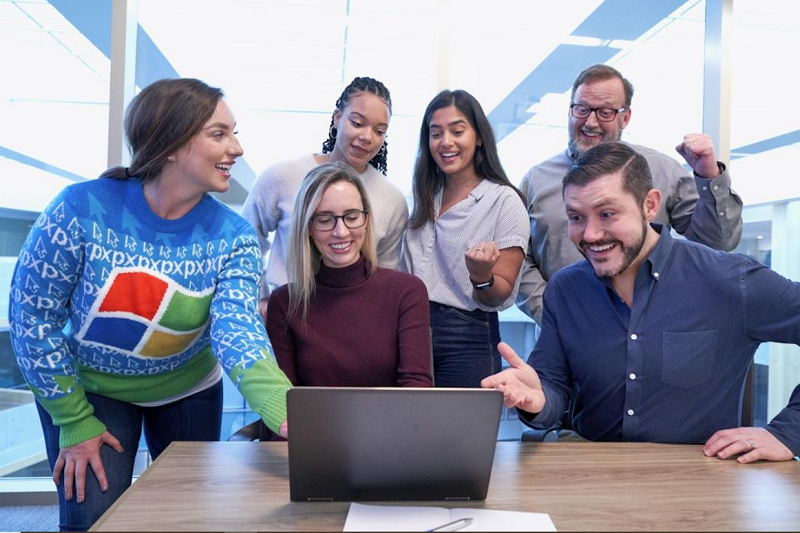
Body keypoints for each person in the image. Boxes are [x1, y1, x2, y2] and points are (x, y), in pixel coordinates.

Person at [7, 78, 293, 531]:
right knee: (91, 521)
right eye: (220, 134)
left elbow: (237, 328)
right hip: (93, 392)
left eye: (234, 132)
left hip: (188, 389)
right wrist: (73, 418)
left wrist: (283, 408)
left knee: (187, 521)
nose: (236, 148)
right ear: (173, 144)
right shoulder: (78, 209)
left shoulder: (234, 237)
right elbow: (32, 317)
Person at [482, 142, 800, 462]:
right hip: (592, 476)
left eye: (607, 214)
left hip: (701, 486)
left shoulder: (729, 280)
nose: (590, 234)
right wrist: (537, 399)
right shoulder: (565, 290)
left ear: (649, 205)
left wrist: (788, 432)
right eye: (576, 217)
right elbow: (551, 387)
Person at [516, 64, 744, 325]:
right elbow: (517, 260)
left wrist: (708, 176)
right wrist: (552, 312)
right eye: (582, 109)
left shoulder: (662, 171)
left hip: (649, 333)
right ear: (570, 110)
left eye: (605, 112)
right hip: (563, 341)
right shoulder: (536, 180)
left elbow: (718, 241)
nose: (590, 122)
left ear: (625, 117)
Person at [241, 76, 408, 323]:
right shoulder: (282, 176)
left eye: (379, 130)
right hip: (284, 317)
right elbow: (245, 240)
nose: (367, 136)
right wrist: (260, 298)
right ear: (337, 117)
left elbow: (385, 273)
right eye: (357, 122)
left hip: (351, 323)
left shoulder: (392, 200)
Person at [402, 90, 530, 388]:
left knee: (461, 433)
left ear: (479, 137)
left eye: (457, 131)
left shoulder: (504, 200)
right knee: (405, 430)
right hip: (409, 328)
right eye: (436, 133)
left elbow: (499, 295)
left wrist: (481, 276)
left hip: (467, 334)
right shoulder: (420, 198)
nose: (446, 142)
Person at [266, 162, 432, 389]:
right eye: (325, 219)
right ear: (308, 229)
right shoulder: (285, 303)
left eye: (351, 217)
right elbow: (284, 402)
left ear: (365, 221)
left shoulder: (406, 292)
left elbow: (417, 387)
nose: (341, 231)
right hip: (314, 425)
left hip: (391, 423)